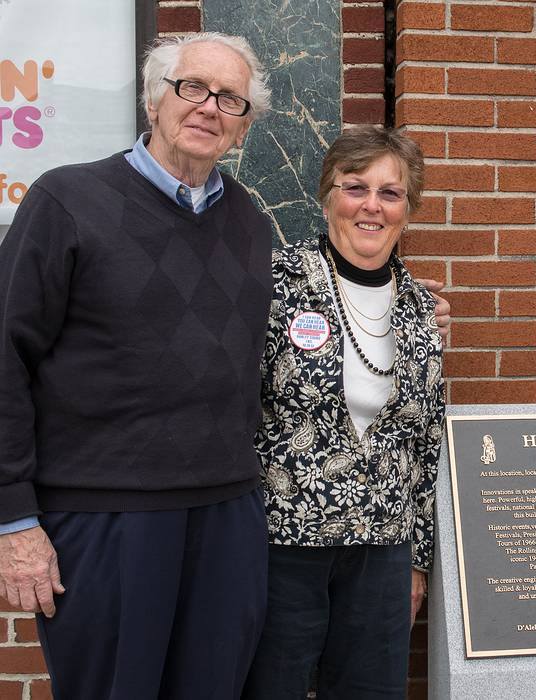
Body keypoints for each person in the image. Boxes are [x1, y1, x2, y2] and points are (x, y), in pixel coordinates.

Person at [0, 33, 274, 698]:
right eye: (193, 88)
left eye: (231, 98)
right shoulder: (67, 200)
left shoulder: (252, 223)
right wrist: (15, 520)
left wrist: (406, 311)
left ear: (243, 126)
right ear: (154, 101)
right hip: (106, 519)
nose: (210, 107)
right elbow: (4, 357)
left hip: (227, 517)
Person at [243, 126, 444, 699]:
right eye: (355, 187)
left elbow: (424, 442)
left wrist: (416, 561)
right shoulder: (274, 284)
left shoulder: (420, 309)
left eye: (391, 192)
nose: (371, 207)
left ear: (408, 207)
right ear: (327, 195)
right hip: (280, 543)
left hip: (382, 546)